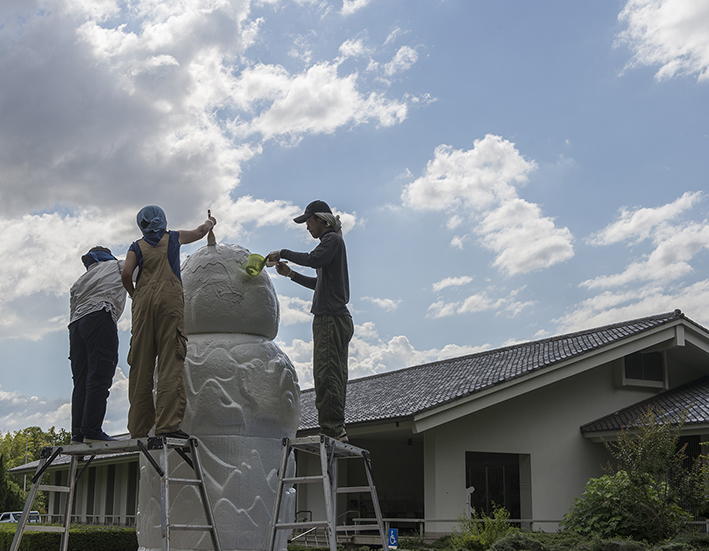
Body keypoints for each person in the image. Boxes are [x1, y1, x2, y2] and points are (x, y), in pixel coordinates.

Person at [121, 206, 216, 439]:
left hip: (142, 305)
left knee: (141, 366)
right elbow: (199, 232)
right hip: (169, 302)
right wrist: (210, 222)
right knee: (169, 363)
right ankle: (167, 425)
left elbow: (126, 274)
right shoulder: (173, 238)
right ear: (162, 219)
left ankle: (138, 428)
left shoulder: (136, 247)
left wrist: (135, 294)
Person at [268, 200, 353, 442]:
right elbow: (319, 284)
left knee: (327, 374)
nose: (307, 227)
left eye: (308, 221)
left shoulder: (331, 241)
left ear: (320, 219)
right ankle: (336, 427)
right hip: (335, 318)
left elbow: (313, 259)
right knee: (332, 373)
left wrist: (283, 253)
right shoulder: (332, 245)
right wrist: (291, 275)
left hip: (331, 318)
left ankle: (333, 429)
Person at [69, 246, 127, 444]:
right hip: (99, 316)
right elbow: (139, 272)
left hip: (76, 327)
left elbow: (73, 309)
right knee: (99, 376)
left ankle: (78, 433)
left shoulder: (79, 282)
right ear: (107, 257)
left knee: (81, 381)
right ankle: (92, 430)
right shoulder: (117, 265)